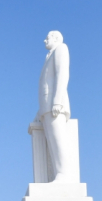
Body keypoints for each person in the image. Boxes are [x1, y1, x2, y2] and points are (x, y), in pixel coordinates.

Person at [33, 30, 71, 183]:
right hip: (46, 107)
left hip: (55, 105)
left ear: (56, 38)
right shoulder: (49, 56)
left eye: (47, 37)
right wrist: (40, 111)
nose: (44, 40)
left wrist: (57, 101)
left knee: (58, 139)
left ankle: (63, 174)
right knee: (50, 142)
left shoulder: (61, 49)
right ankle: (57, 174)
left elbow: (62, 74)